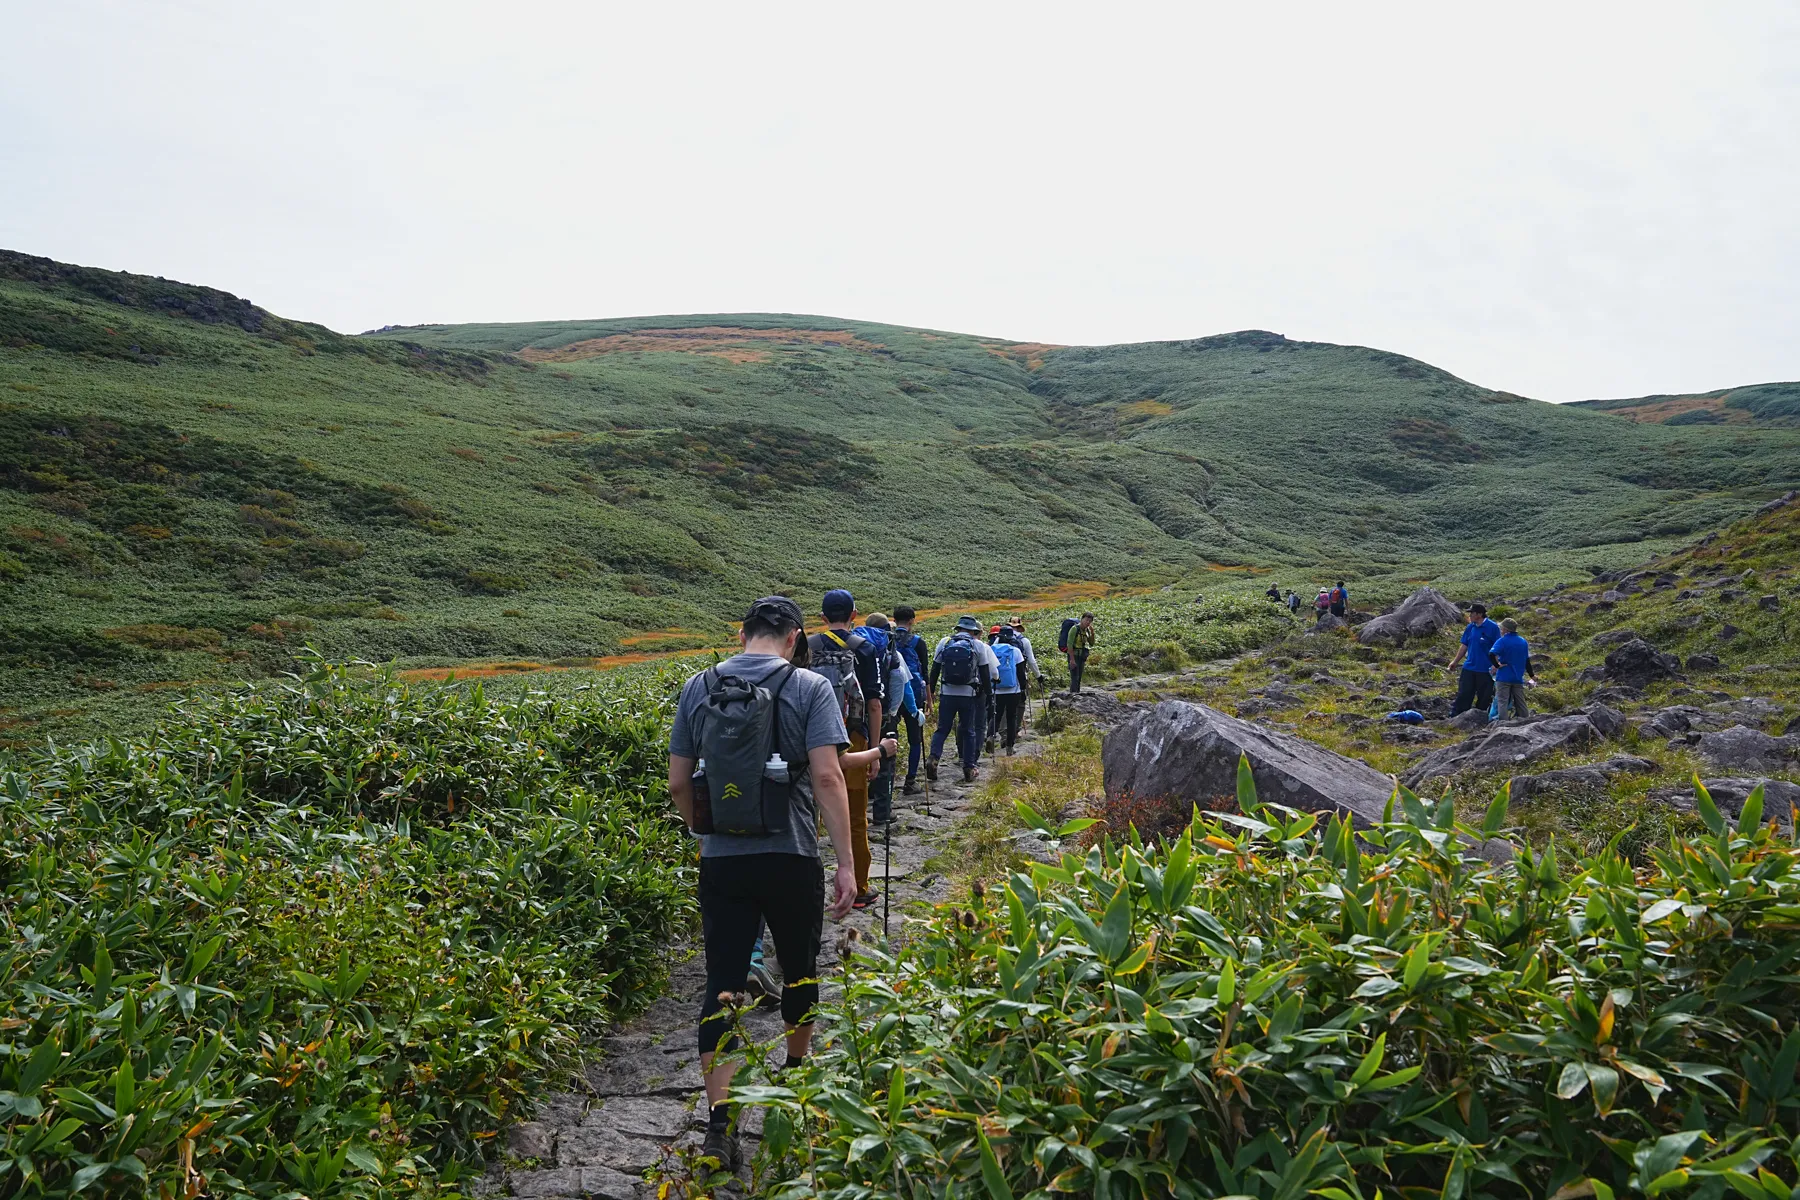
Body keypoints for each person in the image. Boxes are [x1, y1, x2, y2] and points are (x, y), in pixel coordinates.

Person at [666, 596, 857, 1171]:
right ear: (795, 638)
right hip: (791, 854)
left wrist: (708, 833)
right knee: (799, 969)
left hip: (722, 859)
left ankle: (720, 1128)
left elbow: (679, 782)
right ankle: (795, 1084)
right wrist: (846, 863)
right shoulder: (809, 687)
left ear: (742, 633)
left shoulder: (698, 686)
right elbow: (827, 775)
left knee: (722, 981)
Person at [808, 590, 890, 910]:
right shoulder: (865, 648)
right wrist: (874, 748)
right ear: (854, 615)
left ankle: (806, 887)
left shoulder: (807, 646)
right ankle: (858, 886)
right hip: (852, 738)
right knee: (854, 816)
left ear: (823, 618)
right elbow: (873, 703)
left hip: (810, 740)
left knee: (808, 815)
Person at [927, 615, 999, 783]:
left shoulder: (944, 642)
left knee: (942, 729)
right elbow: (984, 673)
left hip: (947, 693)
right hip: (968, 694)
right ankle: (969, 767)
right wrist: (989, 695)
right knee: (969, 730)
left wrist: (931, 692)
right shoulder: (978, 645)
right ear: (973, 631)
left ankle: (933, 757)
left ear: (957, 629)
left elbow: (935, 669)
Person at [890, 606, 931, 795]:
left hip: (891, 696)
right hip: (914, 695)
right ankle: (910, 780)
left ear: (894, 619)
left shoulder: (887, 640)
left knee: (889, 737)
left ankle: (885, 781)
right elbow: (925, 673)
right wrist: (929, 700)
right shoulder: (918, 642)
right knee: (916, 740)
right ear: (912, 620)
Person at [1445, 602, 1502, 717]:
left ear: (1480, 614)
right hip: (1469, 667)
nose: (1470, 616)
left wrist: (1496, 665)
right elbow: (1464, 646)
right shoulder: (1470, 627)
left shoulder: (1493, 628)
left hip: (1486, 669)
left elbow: (1498, 647)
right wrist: (1455, 662)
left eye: (1472, 613)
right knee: (1464, 693)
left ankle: (1481, 717)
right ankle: (1457, 716)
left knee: (1485, 696)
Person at [989, 627, 1029, 754]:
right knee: (1012, 717)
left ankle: (990, 736)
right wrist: (1023, 689)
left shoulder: (991, 650)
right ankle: (1010, 747)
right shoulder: (1016, 651)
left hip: (997, 689)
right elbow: (1021, 674)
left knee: (996, 715)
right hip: (1013, 690)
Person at [1488, 617, 1537, 719]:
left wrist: (1497, 665)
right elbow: (1526, 660)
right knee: (1520, 700)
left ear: (1506, 629)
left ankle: (1503, 723)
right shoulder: (1523, 642)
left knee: (1502, 701)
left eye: (1502, 628)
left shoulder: (1502, 641)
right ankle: (1525, 718)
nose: (1501, 630)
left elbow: (1491, 654)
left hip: (1504, 676)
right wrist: (1532, 675)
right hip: (1518, 677)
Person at [1066, 612, 1097, 693]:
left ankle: (1077, 695)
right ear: (1082, 619)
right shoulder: (1074, 629)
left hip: (1081, 656)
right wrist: (1072, 660)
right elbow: (1069, 645)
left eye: (1090, 621)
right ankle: (1073, 696)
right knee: (1074, 678)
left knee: (1079, 678)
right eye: (1086, 620)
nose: (1088, 622)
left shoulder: (1087, 631)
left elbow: (1091, 643)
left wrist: (1092, 633)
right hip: (1074, 656)